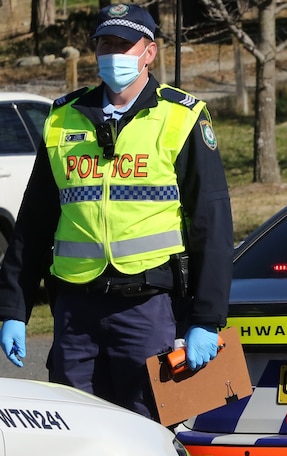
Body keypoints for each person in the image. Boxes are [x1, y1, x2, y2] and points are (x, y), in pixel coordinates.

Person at [0, 3, 234, 420]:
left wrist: (207, 319)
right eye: (104, 43)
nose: (112, 53)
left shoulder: (182, 116)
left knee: (149, 430)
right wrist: (13, 309)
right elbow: (34, 223)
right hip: (75, 310)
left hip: (148, 308)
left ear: (150, 52)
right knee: (75, 429)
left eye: (123, 44)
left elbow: (211, 225)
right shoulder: (63, 117)